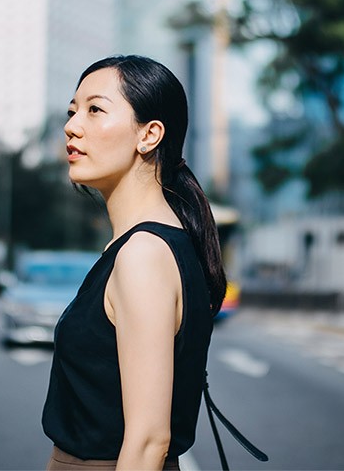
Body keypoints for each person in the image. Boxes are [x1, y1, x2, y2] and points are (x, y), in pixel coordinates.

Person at [42, 55, 227, 470]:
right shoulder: (147, 246)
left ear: (149, 135)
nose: (72, 126)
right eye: (72, 112)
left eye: (95, 109)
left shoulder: (143, 254)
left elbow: (147, 442)